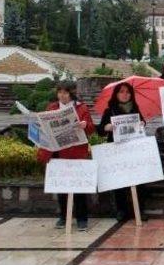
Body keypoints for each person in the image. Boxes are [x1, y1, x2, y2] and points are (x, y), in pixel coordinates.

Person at [37, 81, 95, 231]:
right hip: (58, 152)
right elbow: (45, 128)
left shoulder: (81, 107)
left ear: (71, 93)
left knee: (78, 187)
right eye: (60, 92)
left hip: (76, 152)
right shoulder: (52, 107)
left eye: (65, 92)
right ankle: (63, 217)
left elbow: (91, 128)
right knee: (61, 186)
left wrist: (84, 125)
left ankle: (82, 218)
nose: (62, 95)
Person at [97, 82, 148, 222]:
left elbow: (142, 122)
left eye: (128, 92)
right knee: (119, 181)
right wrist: (107, 127)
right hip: (116, 150)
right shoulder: (110, 110)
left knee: (139, 181)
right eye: (121, 92)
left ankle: (139, 209)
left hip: (134, 150)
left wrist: (143, 123)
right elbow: (100, 130)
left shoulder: (135, 109)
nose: (125, 95)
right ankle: (121, 210)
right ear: (116, 94)